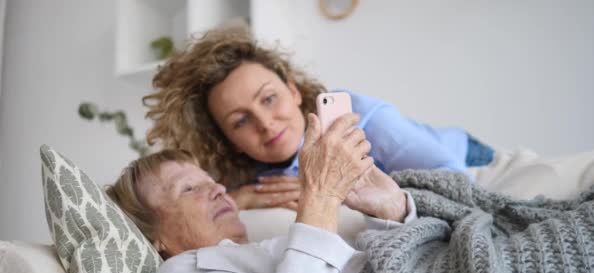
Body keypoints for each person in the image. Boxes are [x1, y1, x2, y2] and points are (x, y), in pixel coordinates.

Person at [106, 113, 418, 273]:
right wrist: (320, 197)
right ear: (154, 236)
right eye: (188, 189)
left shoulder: (263, 250)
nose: (218, 190)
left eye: (211, 181)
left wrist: (392, 212)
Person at [143, 25, 494, 211]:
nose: (265, 123)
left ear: (294, 92)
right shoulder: (241, 168)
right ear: (226, 138)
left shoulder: (360, 117)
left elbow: (455, 181)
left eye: (269, 98)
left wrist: (327, 191)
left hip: (463, 154)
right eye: (240, 121)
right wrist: (242, 199)